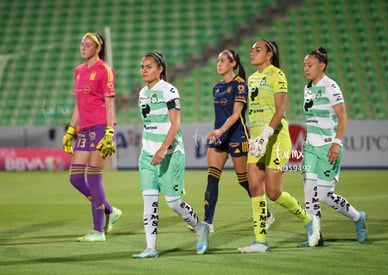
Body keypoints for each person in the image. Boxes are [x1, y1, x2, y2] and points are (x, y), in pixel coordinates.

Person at [238, 39, 320, 253]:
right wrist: (255, 137)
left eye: (257, 50)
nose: (252, 53)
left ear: (269, 55)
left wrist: (266, 135)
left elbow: (280, 109)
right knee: (256, 188)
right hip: (257, 141)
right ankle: (260, 242)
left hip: (276, 139)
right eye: (251, 50)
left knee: (273, 192)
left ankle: (308, 220)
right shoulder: (252, 78)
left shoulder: (277, 75)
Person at [132, 51, 209, 258]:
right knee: (149, 202)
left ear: (160, 69)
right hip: (147, 156)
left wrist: (162, 149)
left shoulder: (169, 90)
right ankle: (150, 248)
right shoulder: (141, 94)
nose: (144, 70)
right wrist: (151, 150)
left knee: (173, 202)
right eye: (142, 67)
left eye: (149, 66)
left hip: (170, 154)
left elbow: (175, 125)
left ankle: (200, 227)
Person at [298, 47, 368, 247]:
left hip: (329, 147)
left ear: (322, 66)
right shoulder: (308, 88)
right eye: (304, 64)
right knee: (309, 192)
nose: (306, 68)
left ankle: (358, 217)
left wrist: (336, 144)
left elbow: (343, 117)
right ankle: (315, 236)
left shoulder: (331, 87)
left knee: (323, 195)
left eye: (309, 64)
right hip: (311, 147)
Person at [200, 49, 275, 233]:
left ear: (233, 64)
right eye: (218, 60)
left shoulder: (240, 85)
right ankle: (208, 223)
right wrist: (218, 132)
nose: (219, 64)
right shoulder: (216, 87)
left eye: (223, 60)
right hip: (219, 138)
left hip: (237, 136)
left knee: (244, 181)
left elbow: (236, 114)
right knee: (212, 179)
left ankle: (266, 214)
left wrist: (221, 130)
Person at [62, 32, 122, 242]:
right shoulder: (78, 71)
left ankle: (98, 231)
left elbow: (110, 103)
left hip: (99, 128)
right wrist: (71, 129)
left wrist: (109, 130)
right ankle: (110, 210)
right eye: (82, 44)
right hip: (84, 130)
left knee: (94, 178)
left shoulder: (105, 70)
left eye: (88, 45)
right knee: (76, 178)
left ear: (98, 48)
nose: (83, 47)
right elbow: (79, 104)